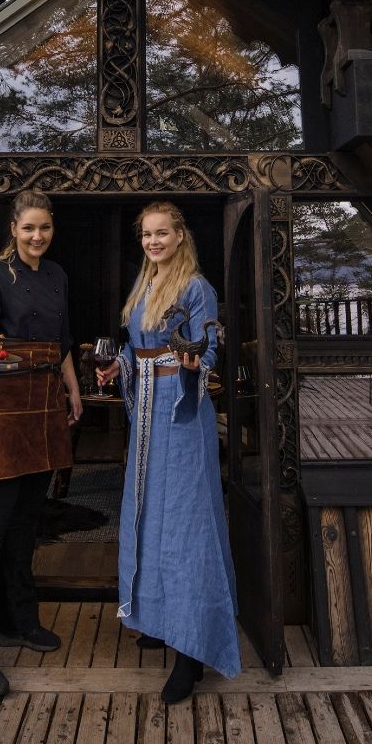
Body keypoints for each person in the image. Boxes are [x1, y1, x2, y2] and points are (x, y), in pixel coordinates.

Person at [95, 200, 241, 703]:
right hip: (145, 419)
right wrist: (119, 368)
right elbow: (136, 349)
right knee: (148, 517)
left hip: (179, 415)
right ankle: (158, 618)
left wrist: (190, 362)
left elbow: (209, 351)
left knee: (185, 524)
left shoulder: (196, 287)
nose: (153, 242)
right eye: (146, 235)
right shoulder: (145, 285)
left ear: (180, 236)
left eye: (161, 233)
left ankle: (193, 652)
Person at [0, 190, 83, 700]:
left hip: (47, 406)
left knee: (28, 523)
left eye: (45, 229)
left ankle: (20, 621)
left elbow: (63, 344)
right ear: (14, 229)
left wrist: (73, 390)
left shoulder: (57, 277)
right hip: (3, 413)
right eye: (29, 228)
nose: (37, 237)